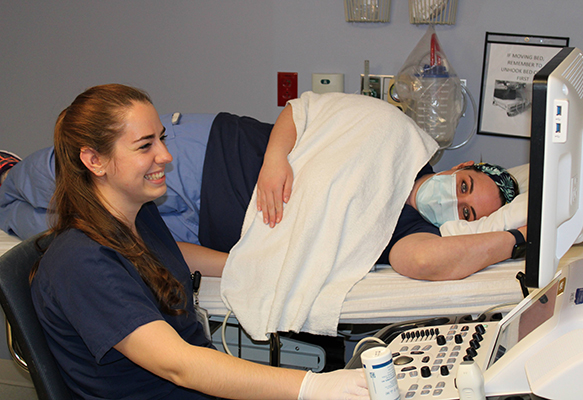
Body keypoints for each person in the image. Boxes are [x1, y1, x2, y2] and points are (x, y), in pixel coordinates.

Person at [29, 84, 368, 399]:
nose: (165, 156)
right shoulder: (81, 262)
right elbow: (179, 365)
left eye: (161, 139)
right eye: (145, 146)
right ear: (94, 161)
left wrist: (250, 267)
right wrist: (311, 386)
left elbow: (168, 254)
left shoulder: (138, 215)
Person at [1, 91, 522, 282]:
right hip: (213, 155)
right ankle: (6, 174)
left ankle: (3, 213)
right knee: (65, 172)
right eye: (466, 185)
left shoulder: (404, 229)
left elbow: (427, 263)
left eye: (466, 212)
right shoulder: (395, 138)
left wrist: (520, 237)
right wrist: (276, 160)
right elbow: (306, 109)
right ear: (462, 166)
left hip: (207, 229)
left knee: (75, 222)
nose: (452, 199)